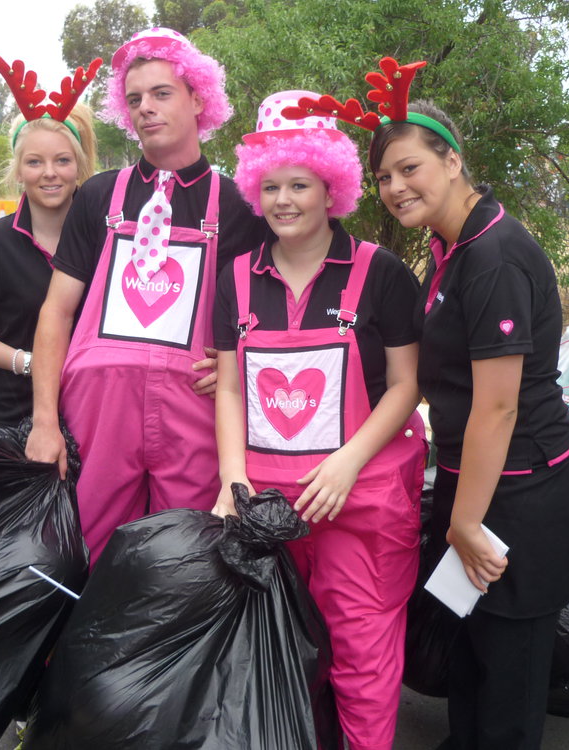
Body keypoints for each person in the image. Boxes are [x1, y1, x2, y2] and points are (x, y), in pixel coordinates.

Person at [358, 58, 569, 749]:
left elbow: (497, 407)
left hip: (522, 487)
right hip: (475, 478)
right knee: (470, 659)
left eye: (409, 168)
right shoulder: (452, 246)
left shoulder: (493, 258)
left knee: (508, 681)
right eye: (383, 177)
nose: (395, 186)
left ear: (452, 161)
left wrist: (462, 524)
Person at [212, 91, 427, 750]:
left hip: (359, 504)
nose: (283, 200)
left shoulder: (382, 274)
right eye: (270, 185)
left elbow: (406, 385)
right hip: (265, 508)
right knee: (276, 657)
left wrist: (347, 461)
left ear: (330, 186)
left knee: (363, 658)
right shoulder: (235, 280)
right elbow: (226, 389)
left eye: (299, 184)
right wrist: (230, 481)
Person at [24, 27, 265, 564]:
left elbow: (258, 320)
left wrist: (234, 366)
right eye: (134, 99)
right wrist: (44, 422)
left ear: (199, 99)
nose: (146, 110)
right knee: (84, 556)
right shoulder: (98, 195)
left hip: (192, 414)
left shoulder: (236, 204)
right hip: (99, 413)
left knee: (188, 561)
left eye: (161, 94)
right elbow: (56, 312)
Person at [0, 53, 100, 428]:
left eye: (62, 161)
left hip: (95, 416)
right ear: (18, 170)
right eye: (35, 162)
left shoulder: (108, 238)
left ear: (79, 165)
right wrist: (31, 363)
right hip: (11, 418)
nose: (50, 173)